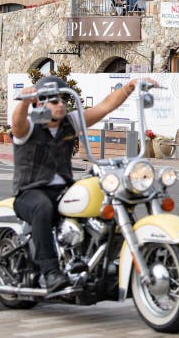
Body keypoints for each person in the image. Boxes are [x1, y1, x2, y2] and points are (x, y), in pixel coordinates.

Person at [10, 75, 142, 292]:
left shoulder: (70, 122)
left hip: (63, 190)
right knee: (42, 207)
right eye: (54, 101)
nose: (60, 104)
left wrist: (129, 86)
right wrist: (24, 102)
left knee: (103, 199)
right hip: (30, 191)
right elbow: (17, 125)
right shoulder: (29, 128)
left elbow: (105, 106)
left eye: (63, 99)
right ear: (39, 103)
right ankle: (51, 272)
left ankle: (105, 264)